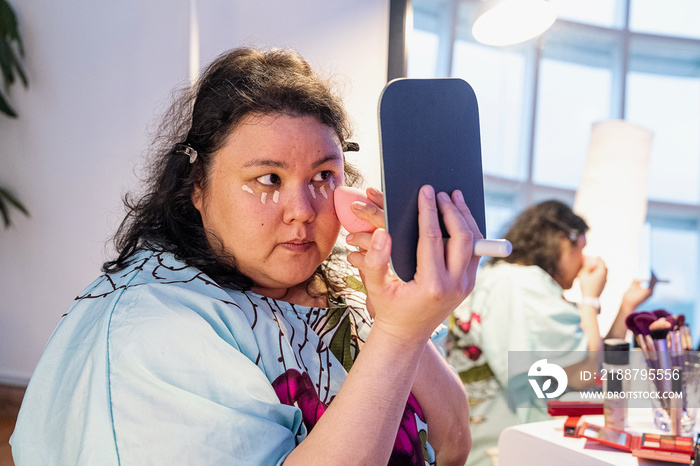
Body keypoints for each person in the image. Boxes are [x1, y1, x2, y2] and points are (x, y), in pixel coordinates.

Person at [11, 47, 483, 465]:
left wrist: (397, 320)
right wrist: (398, 337)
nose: (302, 212)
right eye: (268, 180)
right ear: (197, 188)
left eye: (323, 175)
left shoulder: (349, 284)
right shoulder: (155, 322)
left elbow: (454, 443)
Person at [446, 200, 656, 466]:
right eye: (581, 248)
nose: (585, 261)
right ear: (561, 240)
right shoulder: (523, 285)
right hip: (504, 452)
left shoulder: (500, 278)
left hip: (483, 443)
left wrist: (626, 305)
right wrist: (589, 299)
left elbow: (590, 360)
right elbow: (589, 372)